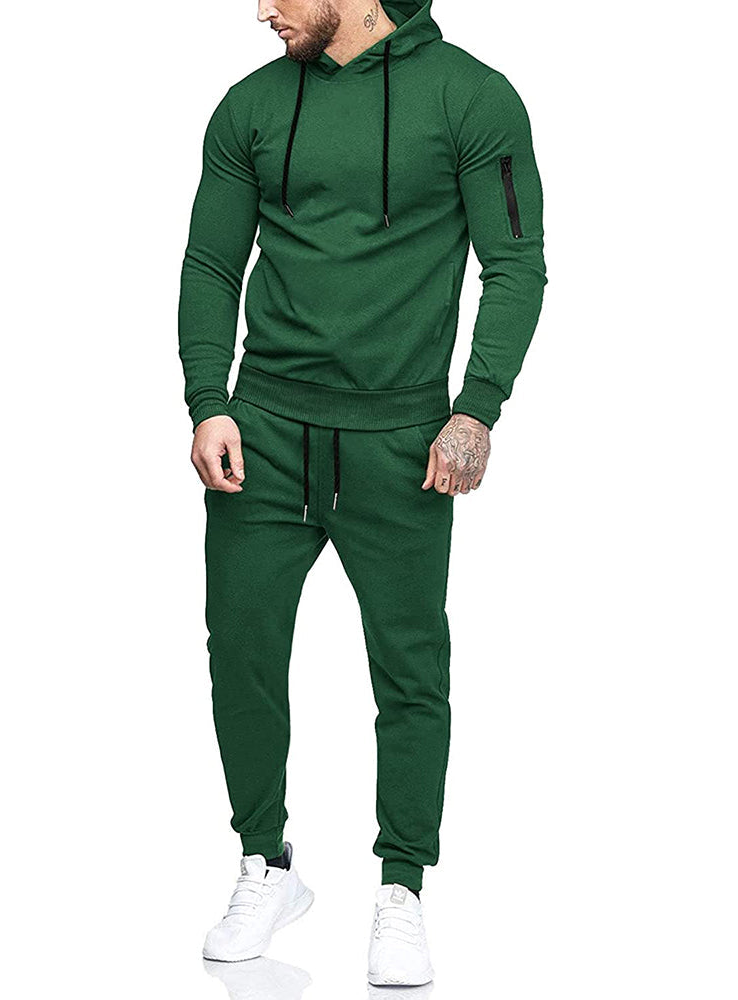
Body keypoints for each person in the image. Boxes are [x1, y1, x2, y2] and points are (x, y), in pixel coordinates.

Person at [178, 0, 546, 985]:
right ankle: (265, 862)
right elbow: (212, 262)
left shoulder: (471, 99)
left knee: (410, 664)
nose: (263, 9)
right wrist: (209, 401)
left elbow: (516, 265)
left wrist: (476, 410)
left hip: (401, 439)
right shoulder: (250, 106)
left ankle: (402, 886)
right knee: (241, 647)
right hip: (264, 428)